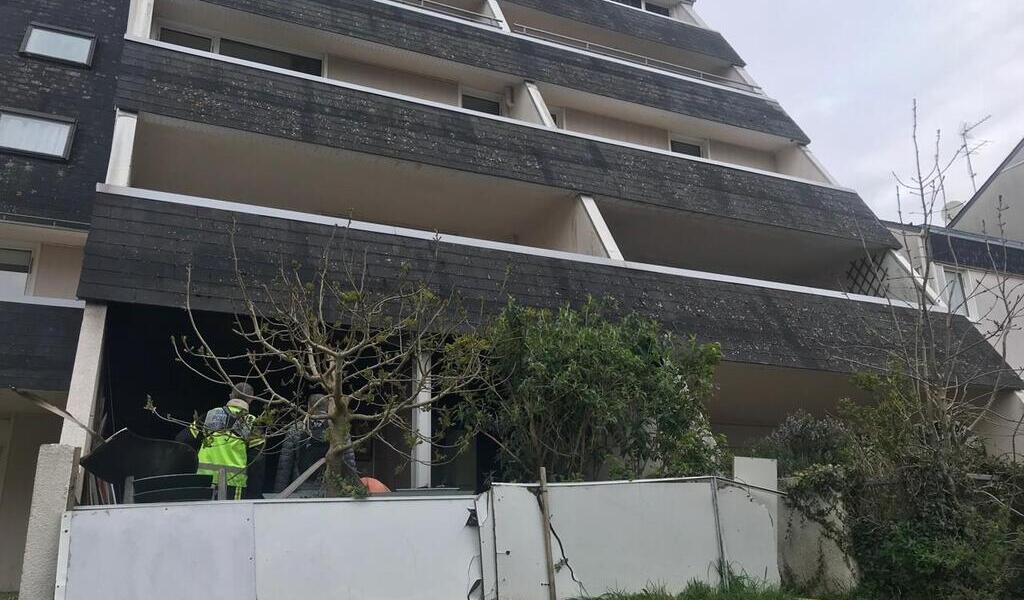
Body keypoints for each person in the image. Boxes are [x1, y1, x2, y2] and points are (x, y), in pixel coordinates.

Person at [177, 382, 265, 500]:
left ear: (231, 396)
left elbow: (182, 440)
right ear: (251, 399)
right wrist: (254, 495)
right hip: (233, 485)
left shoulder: (209, 415)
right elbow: (257, 461)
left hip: (203, 482)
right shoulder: (253, 423)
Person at [274, 393, 360, 497]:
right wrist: (356, 491)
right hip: (332, 488)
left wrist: (277, 496)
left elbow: (284, 466)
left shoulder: (296, 429)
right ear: (328, 407)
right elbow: (349, 463)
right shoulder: (340, 430)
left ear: (309, 407)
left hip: (301, 487)